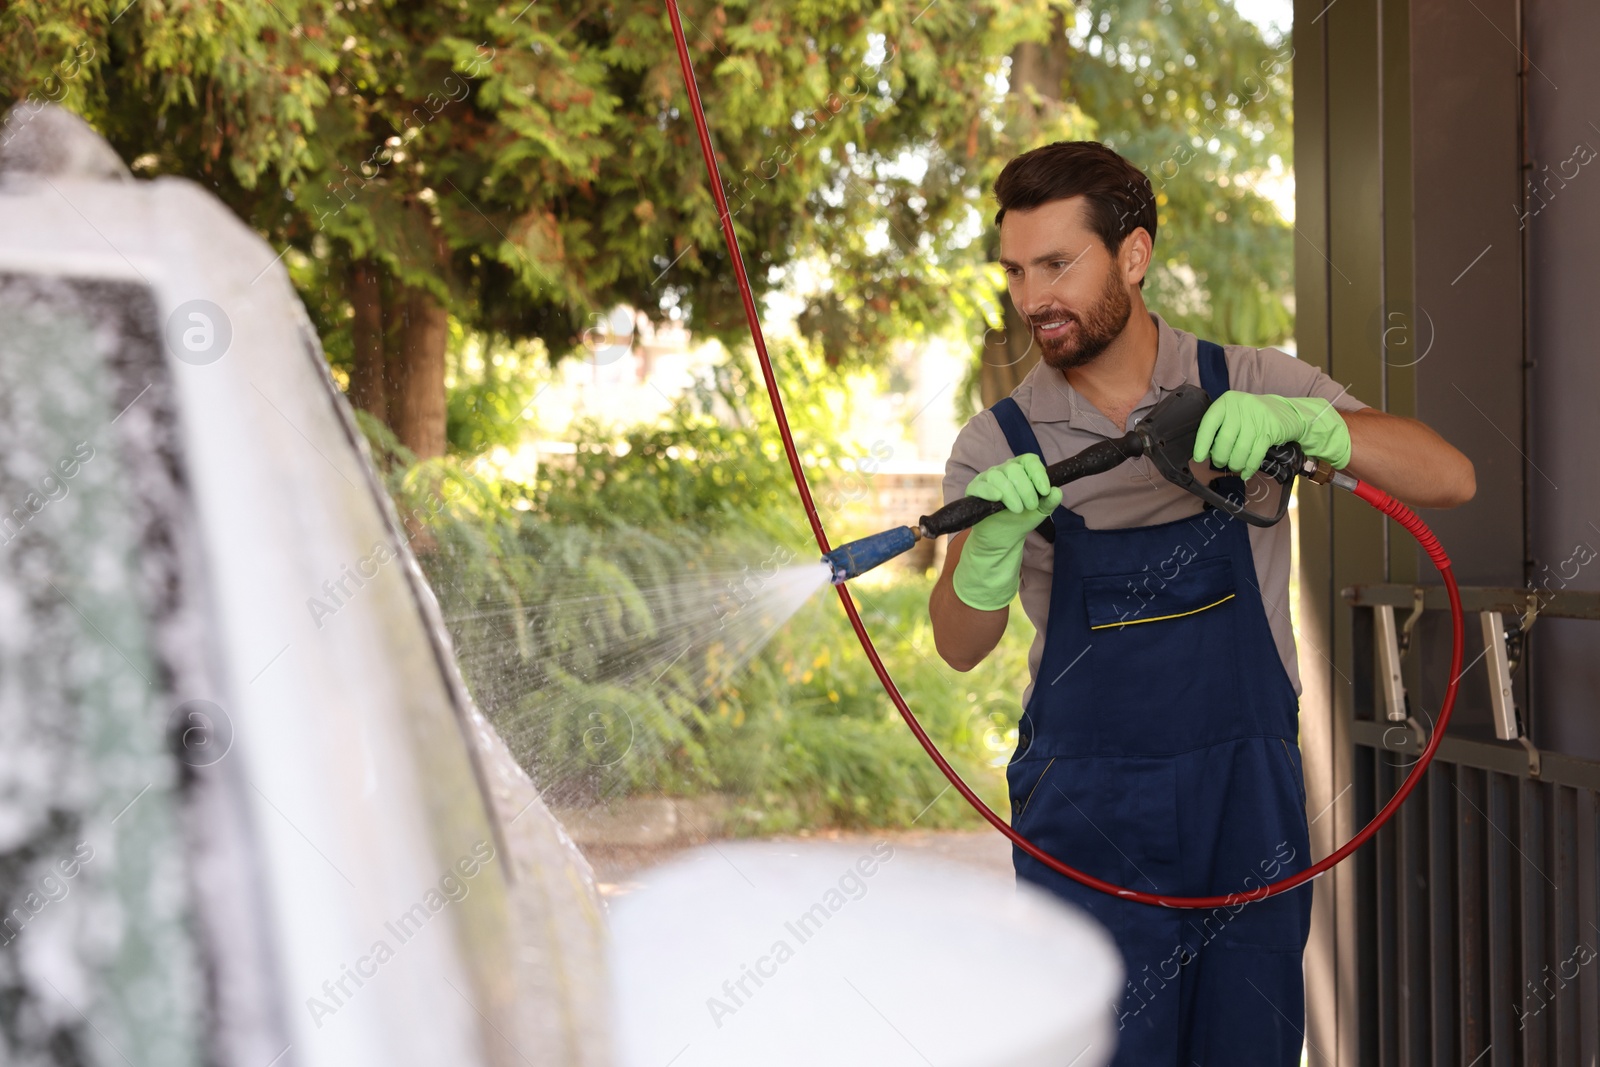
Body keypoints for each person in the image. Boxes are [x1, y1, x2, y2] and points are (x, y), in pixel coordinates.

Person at [927, 141, 1474, 1065]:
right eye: (1017, 271)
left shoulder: (1250, 383)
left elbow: (1449, 476)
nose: (1033, 298)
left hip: (1244, 810)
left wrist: (1312, 424)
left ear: (1132, 255)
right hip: (1086, 819)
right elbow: (956, 645)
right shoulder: (999, 441)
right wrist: (984, 553)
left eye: (1059, 263)